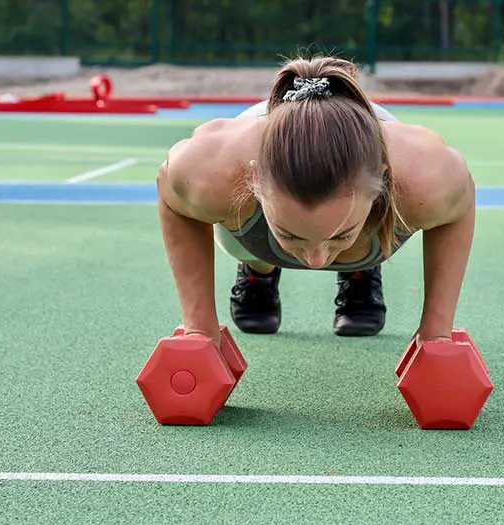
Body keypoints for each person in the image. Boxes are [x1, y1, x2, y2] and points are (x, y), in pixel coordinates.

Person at [156, 55, 475, 347]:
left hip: (367, 161)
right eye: (289, 233)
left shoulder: (425, 179)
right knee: (256, 236)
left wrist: (436, 332)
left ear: (383, 182)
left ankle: (359, 269)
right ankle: (258, 270)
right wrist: (199, 328)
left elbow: (459, 208)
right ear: (254, 181)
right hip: (263, 158)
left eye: (341, 235)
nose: (316, 260)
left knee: (344, 239)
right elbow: (170, 193)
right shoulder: (211, 170)